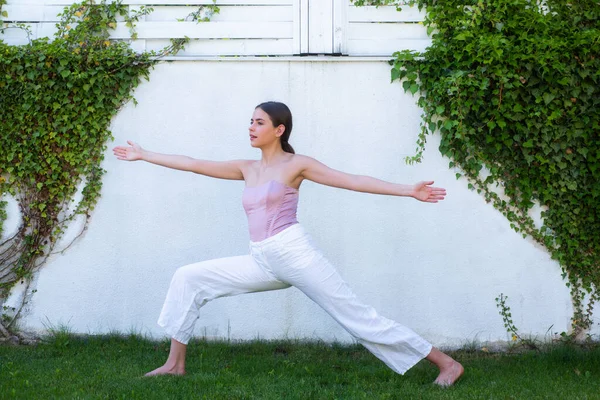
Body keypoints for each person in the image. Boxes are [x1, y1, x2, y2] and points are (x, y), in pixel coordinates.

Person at [112, 101, 464, 386]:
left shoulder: (298, 165)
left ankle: (447, 364)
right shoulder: (246, 168)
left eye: (259, 122)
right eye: (250, 121)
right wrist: (146, 154)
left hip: (294, 254)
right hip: (262, 258)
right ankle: (175, 365)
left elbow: (353, 181)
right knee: (189, 277)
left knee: (358, 319)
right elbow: (194, 164)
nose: (251, 127)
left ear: (279, 130)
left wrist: (408, 190)